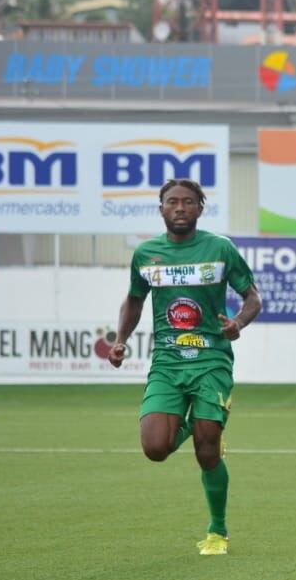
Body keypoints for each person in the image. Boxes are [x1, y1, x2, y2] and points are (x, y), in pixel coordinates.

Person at [108, 177, 261, 555]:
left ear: (200, 209)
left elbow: (252, 297)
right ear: (161, 208)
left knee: (207, 451)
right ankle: (197, 423)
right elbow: (134, 300)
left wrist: (237, 324)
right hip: (167, 362)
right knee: (155, 448)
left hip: (211, 360)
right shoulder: (146, 254)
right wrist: (120, 339)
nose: (180, 208)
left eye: (188, 202)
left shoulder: (220, 249)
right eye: (172, 201)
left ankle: (217, 532)